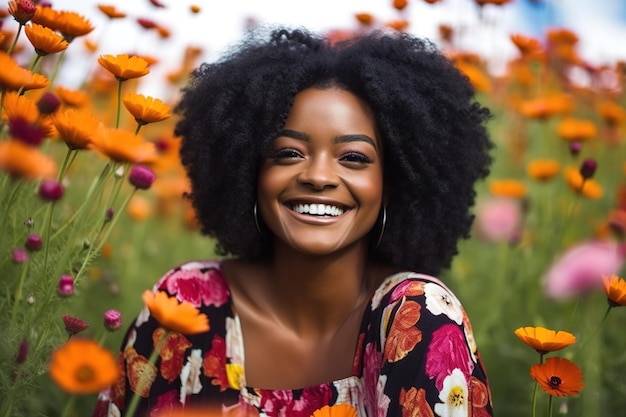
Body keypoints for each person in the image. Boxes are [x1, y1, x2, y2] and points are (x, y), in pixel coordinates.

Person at [100, 27, 494, 417]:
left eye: (353, 157)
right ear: (249, 173)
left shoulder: (419, 319)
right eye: (289, 153)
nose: (318, 176)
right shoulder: (185, 303)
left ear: (391, 185)